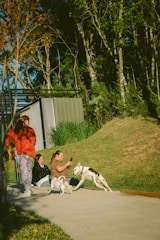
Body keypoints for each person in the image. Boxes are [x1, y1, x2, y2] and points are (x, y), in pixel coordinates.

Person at [5, 115, 36, 197]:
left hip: (20, 153)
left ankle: (27, 190)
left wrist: (11, 151)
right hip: (30, 153)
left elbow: (7, 141)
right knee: (29, 171)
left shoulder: (14, 131)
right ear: (25, 121)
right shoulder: (31, 130)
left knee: (24, 171)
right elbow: (34, 141)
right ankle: (28, 188)